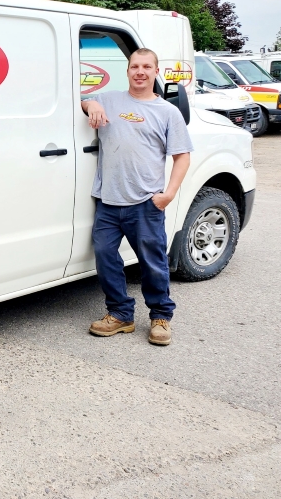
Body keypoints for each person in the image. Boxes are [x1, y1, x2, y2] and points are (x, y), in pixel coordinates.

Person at [81, 48, 193, 346]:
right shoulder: (108, 99)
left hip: (146, 203)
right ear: (127, 71)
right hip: (107, 202)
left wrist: (168, 195)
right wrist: (90, 102)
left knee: (152, 263)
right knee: (106, 259)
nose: (140, 72)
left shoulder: (168, 112)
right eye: (134, 66)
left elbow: (182, 157)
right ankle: (120, 315)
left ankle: (160, 317)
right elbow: (79, 100)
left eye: (146, 67)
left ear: (157, 72)